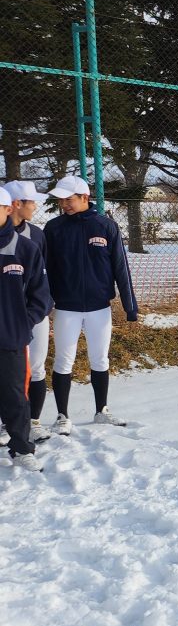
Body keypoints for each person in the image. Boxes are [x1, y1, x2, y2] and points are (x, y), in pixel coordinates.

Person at [43, 175, 138, 432]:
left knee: (100, 359)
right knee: (63, 361)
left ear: (85, 197)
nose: (64, 204)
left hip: (99, 308)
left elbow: (121, 266)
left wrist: (130, 305)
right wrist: (44, 302)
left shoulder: (106, 226)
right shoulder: (53, 229)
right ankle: (62, 415)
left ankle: (101, 410)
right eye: (61, 199)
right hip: (66, 307)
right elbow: (44, 269)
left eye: (69, 199)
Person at [0, 185, 53, 471]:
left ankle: (21, 448)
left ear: (8, 209)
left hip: (10, 337)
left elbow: (41, 295)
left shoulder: (25, 249)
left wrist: (24, 320)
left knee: (14, 395)